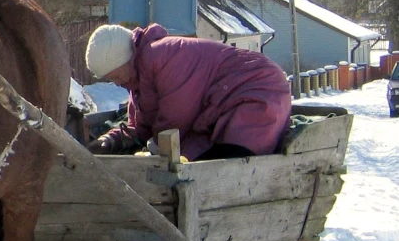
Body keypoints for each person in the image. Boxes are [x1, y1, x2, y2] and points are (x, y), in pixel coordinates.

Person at [84, 23, 293, 161]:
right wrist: (110, 141)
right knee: (194, 163)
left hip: (255, 87)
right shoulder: (139, 81)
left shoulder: (164, 56)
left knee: (228, 162)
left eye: (115, 75)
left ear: (125, 60)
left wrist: (153, 152)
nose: (117, 83)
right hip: (217, 107)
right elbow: (140, 126)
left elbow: (176, 119)